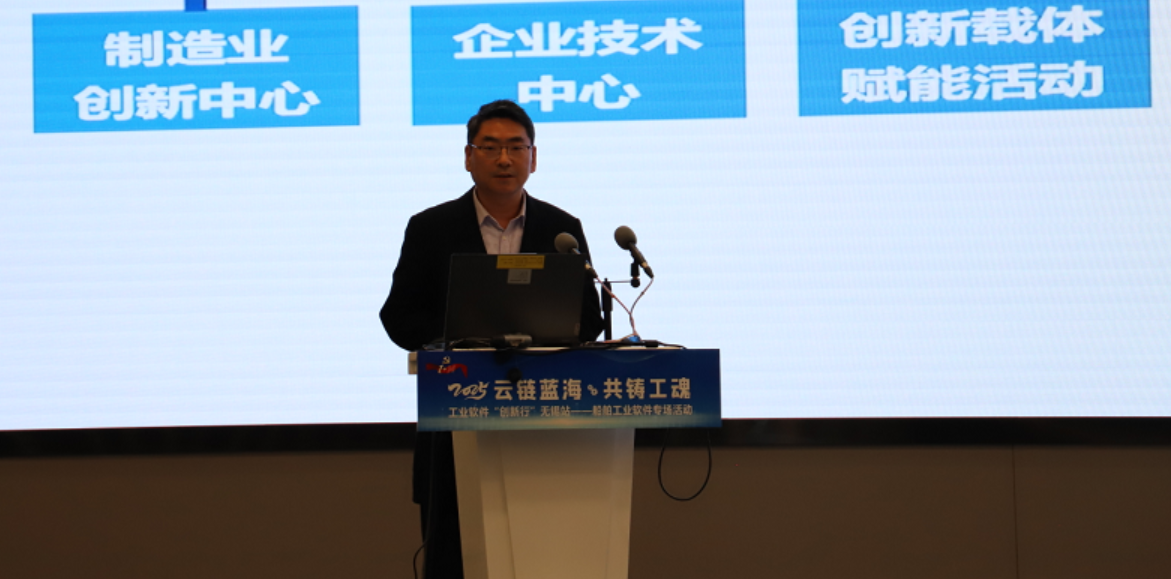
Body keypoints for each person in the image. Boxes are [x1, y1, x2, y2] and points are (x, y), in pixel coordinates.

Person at [380, 99, 604, 578]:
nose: (505, 159)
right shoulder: (430, 228)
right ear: (469, 156)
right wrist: (465, 341)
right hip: (456, 423)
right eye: (491, 147)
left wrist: (538, 340)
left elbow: (589, 320)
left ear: (533, 158)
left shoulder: (562, 230)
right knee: (454, 558)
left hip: (544, 425)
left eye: (516, 147)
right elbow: (398, 318)